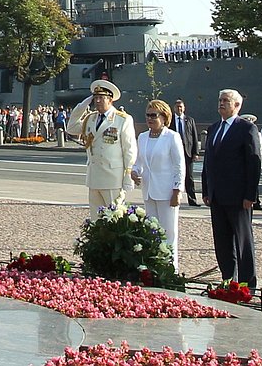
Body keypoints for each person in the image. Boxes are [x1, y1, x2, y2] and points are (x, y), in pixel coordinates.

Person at [201, 88, 261, 289]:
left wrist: (250, 194)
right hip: (217, 195)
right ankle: (228, 278)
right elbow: (208, 161)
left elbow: (253, 163)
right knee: (222, 241)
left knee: (243, 242)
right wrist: (207, 190)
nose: (221, 103)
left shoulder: (246, 128)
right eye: (220, 100)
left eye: (226, 100)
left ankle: (247, 283)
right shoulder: (214, 128)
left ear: (237, 105)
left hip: (238, 196)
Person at [66, 79, 137, 220]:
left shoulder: (122, 120)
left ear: (110, 100)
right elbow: (71, 127)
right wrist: (82, 106)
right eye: (95, 98)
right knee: (96, 219)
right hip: (94, 177)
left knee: (115, 218)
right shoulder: (90, 119)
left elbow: (129, 149)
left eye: (101, 98)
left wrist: (128, 175)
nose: (97, 101)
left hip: (112, 178)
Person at [131, 100, 185, 270]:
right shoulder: (143, 137)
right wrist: (134, 172)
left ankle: (171, 269)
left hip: (167, 192)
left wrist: (177, 190)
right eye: (147, 115)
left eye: (153, 115)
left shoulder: (172, 137)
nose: (149, 118)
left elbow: (179, 165)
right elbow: (139, 162)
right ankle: (154, 266)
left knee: (169, 233)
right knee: (152, 232)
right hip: (148, 191)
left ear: (164, 116)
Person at [169, 99, 200, 206]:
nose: (179, 108)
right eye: (177, 107)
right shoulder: (170, 120)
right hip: (174, 152)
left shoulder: (189, 120)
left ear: (184, 108)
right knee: (173, 175)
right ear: (174, 108)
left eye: (181, 106)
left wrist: (195, 152)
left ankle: (192, 200)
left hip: (187, 153)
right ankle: (173, 198)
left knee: (189, 177)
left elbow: (194, 136)